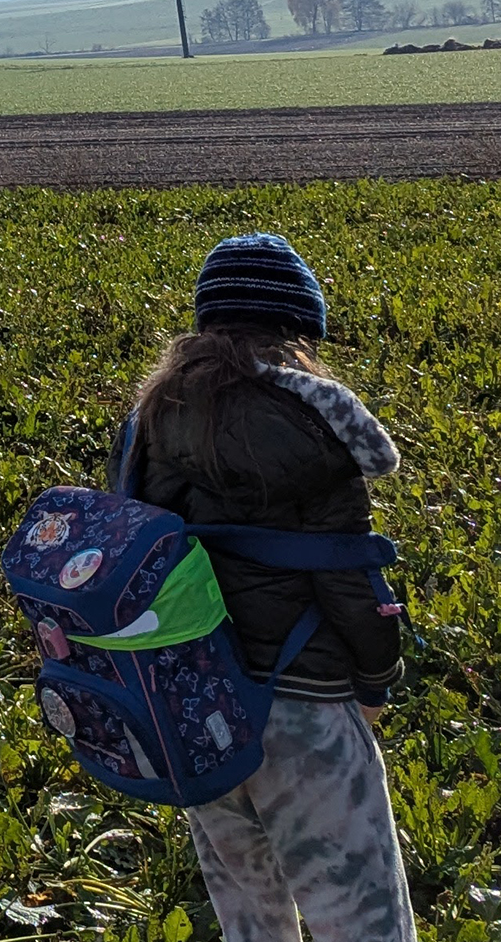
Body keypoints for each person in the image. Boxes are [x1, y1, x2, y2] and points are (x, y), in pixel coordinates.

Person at [113, 233, 414, 941]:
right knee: (361, 915)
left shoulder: (148, 419)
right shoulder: (313, 422)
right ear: (295, 330)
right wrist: (377, 680)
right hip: (303, 702)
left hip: (195, 708)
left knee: (250, 913)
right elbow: (349, 579)